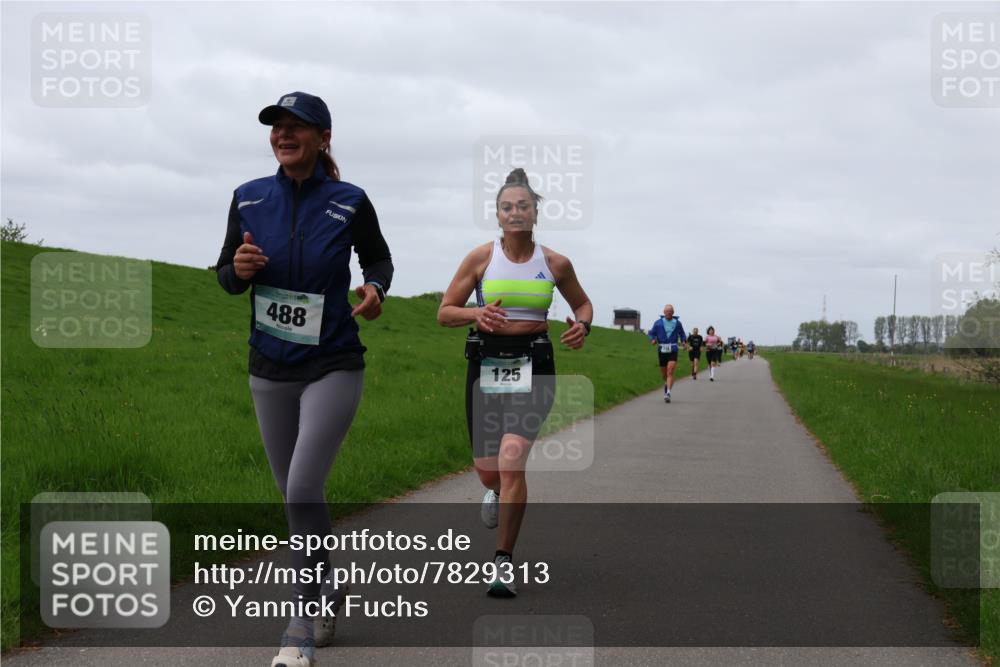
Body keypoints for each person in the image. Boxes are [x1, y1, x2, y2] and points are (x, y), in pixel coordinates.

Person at [215, 92, 393, 667]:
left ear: (323, 137)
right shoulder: (248, 197)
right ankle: (327, 590)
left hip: (333, 362)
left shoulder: (349, 200)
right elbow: (226, 273)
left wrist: (374, 289)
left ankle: (300, 623)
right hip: (268, 367)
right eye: (277, 127)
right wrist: (237, 271)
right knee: (295, 499)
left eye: (297, 128)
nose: (284, 135)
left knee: (300, 488)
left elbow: (379, 259)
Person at [437, 168, 592, 598]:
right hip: (485, 365)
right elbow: (445, 311)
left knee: (511, 460)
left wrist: (583, 326)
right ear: (498, 214)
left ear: (536, 212)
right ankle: (494, 492)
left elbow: (583, 303)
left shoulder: (555, 263)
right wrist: (475, 314)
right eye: (507, 206)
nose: (516, 212)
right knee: (489, 472)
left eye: (524, 205)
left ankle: (502, 561)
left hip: (534, 365)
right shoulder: (480, 259)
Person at [648, 304, 687, 403]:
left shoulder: (677, 323)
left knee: (670, 371)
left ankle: (668, 393)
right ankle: (667, 385)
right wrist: (652, 340)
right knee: (664, 374)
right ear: (664, 312)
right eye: (667, 311)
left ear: (673, 313)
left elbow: (682, 334)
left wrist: (684, 341)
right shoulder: (658, 323)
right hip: (662, 349)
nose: (668, 313)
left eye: (670, 311)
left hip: (673, 349)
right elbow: (651, 333)